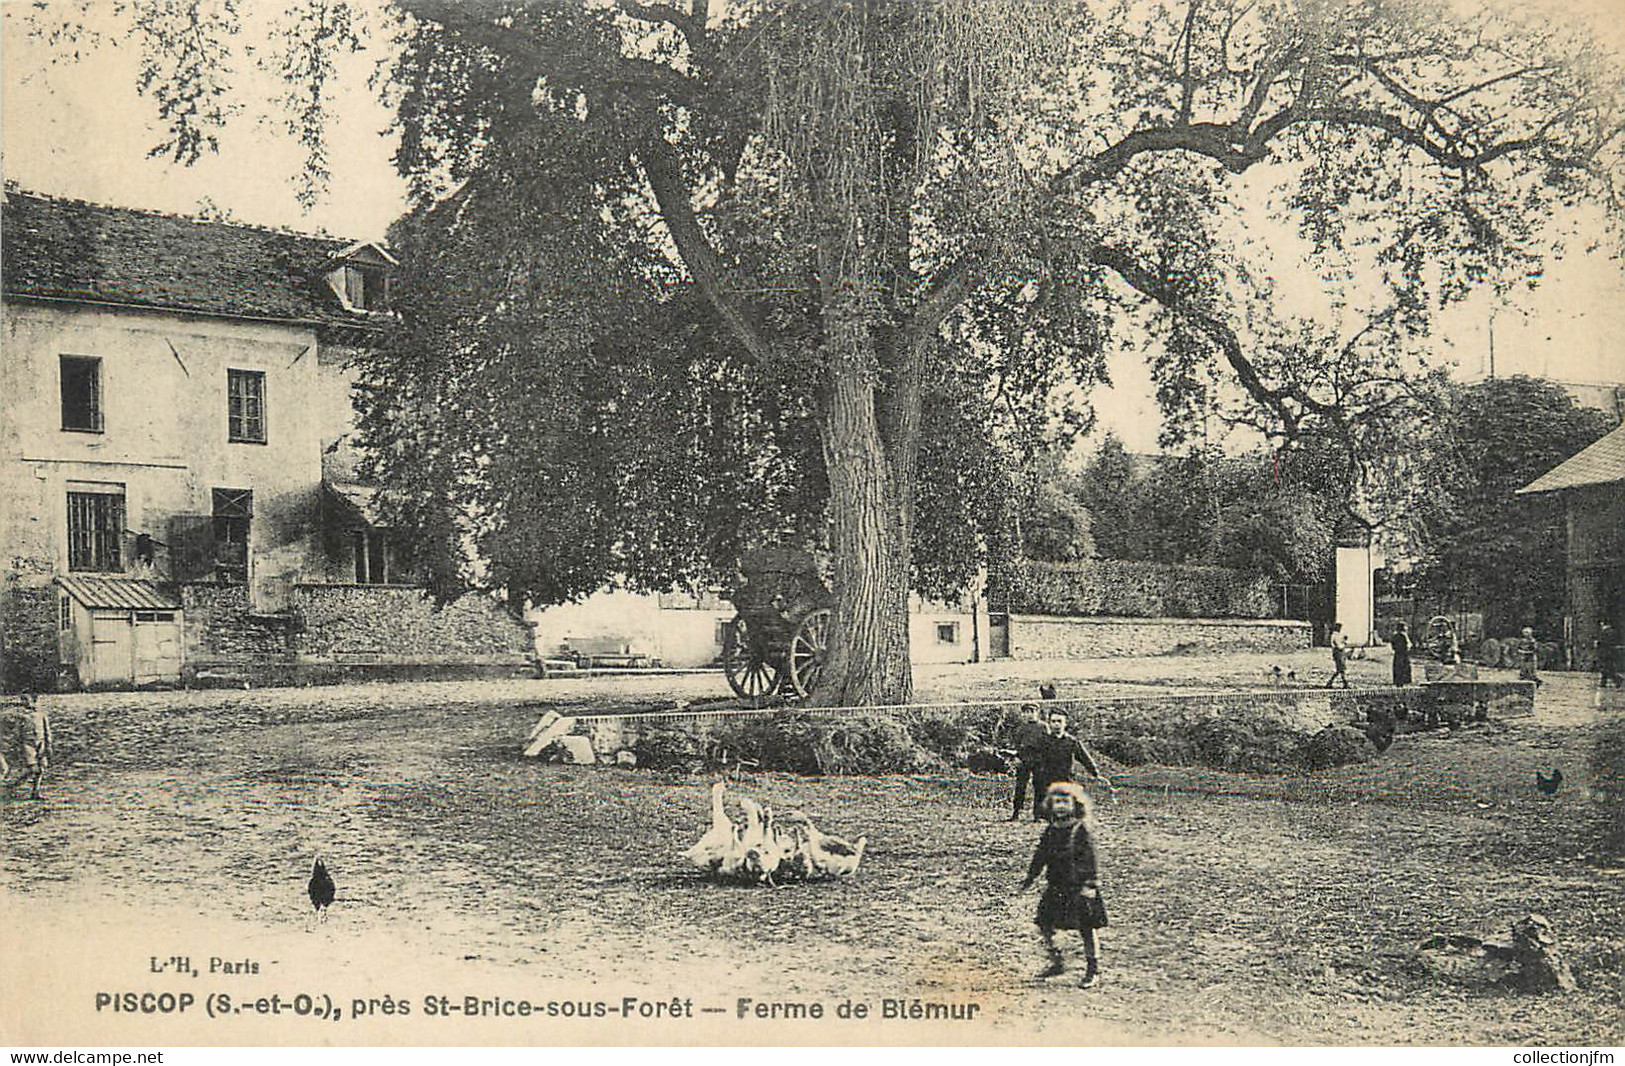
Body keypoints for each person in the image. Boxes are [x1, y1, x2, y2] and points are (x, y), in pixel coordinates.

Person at [1021, 782, 1107, 987]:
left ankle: (1093, 970)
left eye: (1064, 801)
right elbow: (1040, 856)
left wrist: (1090, 884)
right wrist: (1030, 877)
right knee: (1044, 923)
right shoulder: (1051, 830)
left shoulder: (1080, 830)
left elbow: (1091, 859)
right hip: (1057, 886)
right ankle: (1057, 960)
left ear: (1075, 804)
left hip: (1079, 887)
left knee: (1087, 928)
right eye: (1056, 801)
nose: (1060, 805)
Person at [1029, 710, 1113, 820]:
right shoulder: (1042, 741)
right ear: (1049, 723)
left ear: (1065, 723)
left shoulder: (1071, 741)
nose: (1056, 724)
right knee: (1044, 809)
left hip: (1065, 777)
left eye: (1059, 721)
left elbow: (1084, 758)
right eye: (1053, 721)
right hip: (1046, 778)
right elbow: (1033, 759)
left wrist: (1095, 773)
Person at [0, 694, 52, 800]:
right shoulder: (22, 716)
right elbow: (17, 732)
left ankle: (35, 791)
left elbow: (47, 731)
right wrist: (14, 744)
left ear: (34, 701)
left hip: (40, 743)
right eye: (24, 701)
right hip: (27, 744)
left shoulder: (41, 715)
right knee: (33, 768)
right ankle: (14, 784)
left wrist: (48, 745)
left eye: (28, 701)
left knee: (41, 768)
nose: (26, 703)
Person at [1008, 703, 1048, 821]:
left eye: (1032, 711)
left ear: (1037, 712)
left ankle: (1038, 815)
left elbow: (1048, 745)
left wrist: (1046, 760)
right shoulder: (1021, 728)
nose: (1029, 714)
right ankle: (1016, 813)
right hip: (1024, 759)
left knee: (1040, 787)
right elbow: (1017, 746)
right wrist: (1017, 758)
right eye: (1026, 712)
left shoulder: (1044, 727)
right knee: (1020, 786)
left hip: (1039, 760)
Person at [1597, 619, 1621, 688]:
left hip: (1606, 652)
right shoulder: (1611, 631)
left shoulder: (1605, 632)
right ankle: (1604, 682)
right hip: (1610, 652)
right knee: (1607, 667)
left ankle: (1617, 679)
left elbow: (1603, 642)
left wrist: (1598, 643)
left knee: (1606, 667)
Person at [1325, 622, 1350, 689]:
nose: (1340, 629)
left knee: (1340, 670)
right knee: (1341, 669)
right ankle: (1345, 684)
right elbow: (1339, 646)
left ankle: (1331, 683)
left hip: (1339, 653)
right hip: (1338, 653)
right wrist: (1344, 643)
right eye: (1339, 628)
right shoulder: (1335, 636)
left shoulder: (1336, 635)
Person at [1390, 622, 1412, 687]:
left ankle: (1397, 680)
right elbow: (1408, 645)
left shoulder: (1395, 635)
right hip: (1404, 653)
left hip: (1397, 653)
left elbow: (1393, 645)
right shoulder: (1404, 635)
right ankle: (1404, 680)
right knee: (1404, 667)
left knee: (1397, 667)